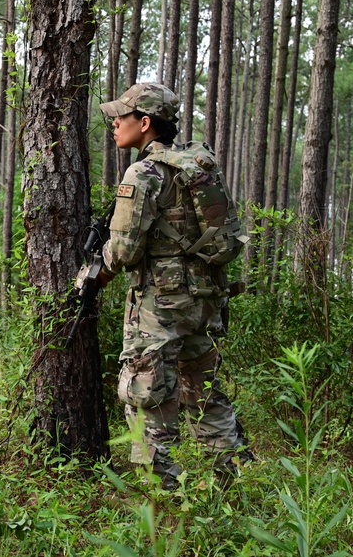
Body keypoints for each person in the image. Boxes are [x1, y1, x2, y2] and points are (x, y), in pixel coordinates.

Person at [97, 82, 249, 490]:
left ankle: (163, 499)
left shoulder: (143, 172)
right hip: (203, 299)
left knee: (147, 396)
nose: (113, 125)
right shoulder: (196, 164)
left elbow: (125, 251)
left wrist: (89, 276)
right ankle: (231, 486)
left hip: (160, 305)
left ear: (144, 123)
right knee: (206, 394)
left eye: (120, 118)